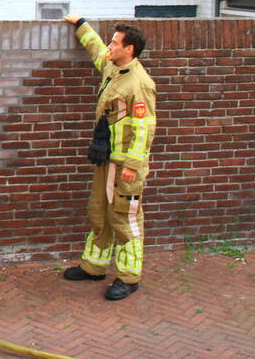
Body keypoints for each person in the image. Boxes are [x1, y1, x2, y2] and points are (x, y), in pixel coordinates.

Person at [61, 15, 156, 301]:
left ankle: (128, 278)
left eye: (115, 43)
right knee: (99, 212)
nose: (109, 47)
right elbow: (95, 49)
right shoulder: (114, 67)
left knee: (125, 221)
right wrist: (80, 25)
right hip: (107, 159)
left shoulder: (139, 84)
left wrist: (131, 165)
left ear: (129, 50)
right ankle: (94, 267)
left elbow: (144, 128)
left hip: (124, 165)